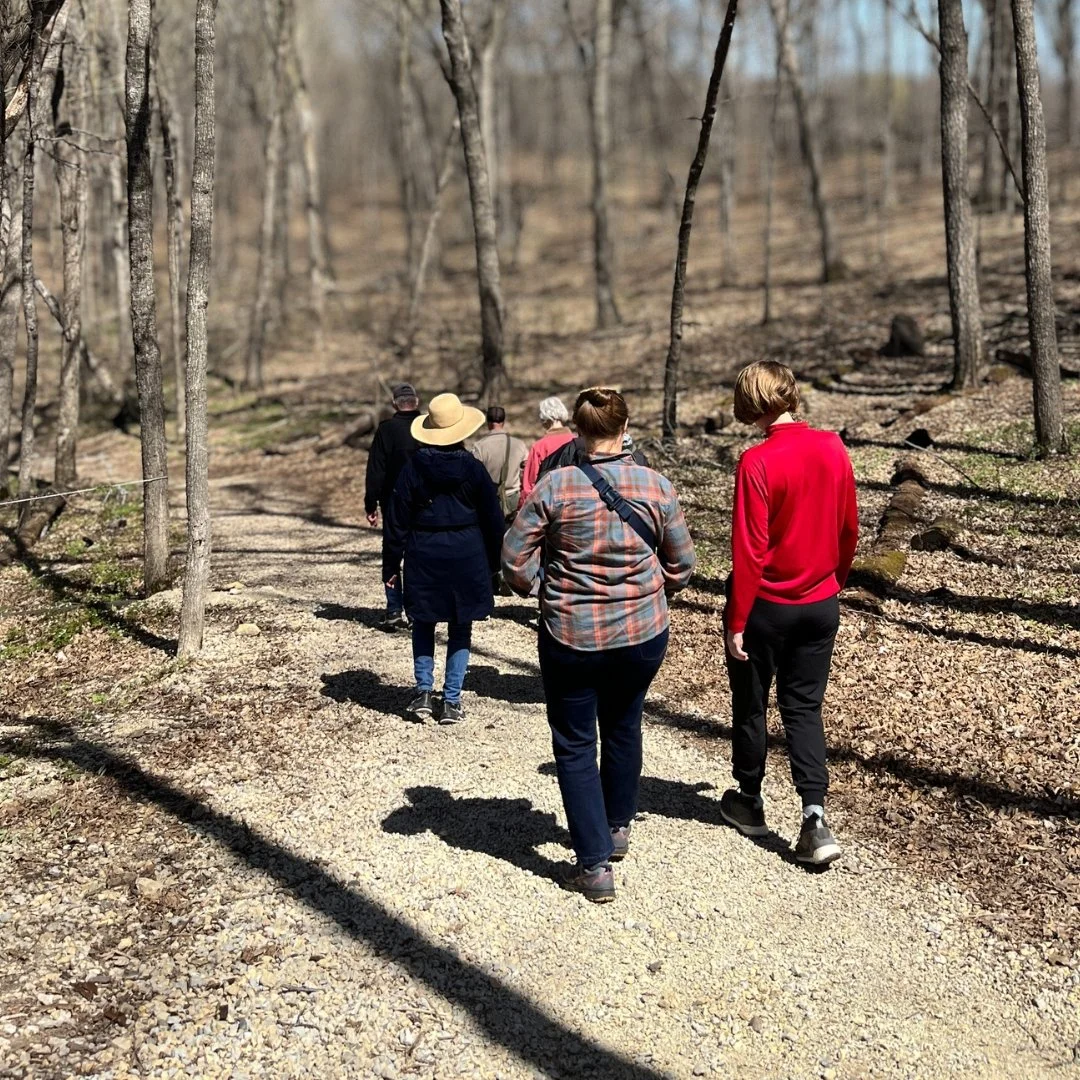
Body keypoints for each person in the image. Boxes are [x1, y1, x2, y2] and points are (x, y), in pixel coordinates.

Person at [502, 387, 696, 902]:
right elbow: (682, 565)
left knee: (573, 742)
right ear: (624, 425)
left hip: (572, 633)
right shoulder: (657, 487)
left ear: (580, 431)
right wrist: (654, 589)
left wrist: (541, 588)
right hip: (641, 633)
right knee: (624, 724)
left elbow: (515, 560)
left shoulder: (554, 486)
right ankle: (616, 827)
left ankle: (593, 865)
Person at [720, 361, 859, 867]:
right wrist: (832, 582)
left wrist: (737, 619)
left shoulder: (756, 462)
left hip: (766, 608)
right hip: (820, 604)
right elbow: (849, 529)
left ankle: (750, 800)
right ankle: (815, 818)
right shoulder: (831, 447)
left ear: (750, 403)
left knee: (752, 701)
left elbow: (751, 549)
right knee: (804, 708)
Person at [384, 393, 505, 725]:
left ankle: (424, 693)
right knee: (460, 625)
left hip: (424, 551)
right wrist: (495, 564)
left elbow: (396, 520)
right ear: (461, 429)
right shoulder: (475, 470)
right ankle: (451, 701)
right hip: (467, 552)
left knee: (423, 622)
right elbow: (493, 521)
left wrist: (391, 564)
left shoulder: (413, 469)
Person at [365, 383, 422, 631]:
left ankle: (393, 609)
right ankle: (417, 610)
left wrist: (371, 503)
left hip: (393, 504)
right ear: (416, 403)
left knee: (392, 555)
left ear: (394, 404)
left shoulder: (386, 431)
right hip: (424, 504)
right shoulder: (427, 427)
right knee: (418, 556)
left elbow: (376, 470)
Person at [471, 406, 527, 521]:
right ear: (503, 421)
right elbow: (526, 469)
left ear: (488, 422)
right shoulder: (519, 444)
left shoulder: (479, 447)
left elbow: (474, 477)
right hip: (513, 499)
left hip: (489, 499)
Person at [518, 396, 574, 507]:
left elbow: (528, 486)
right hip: (576, 503)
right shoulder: (577, 441)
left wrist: (521, 508)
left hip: (549, 505)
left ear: (545, 419)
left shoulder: (539, 447)